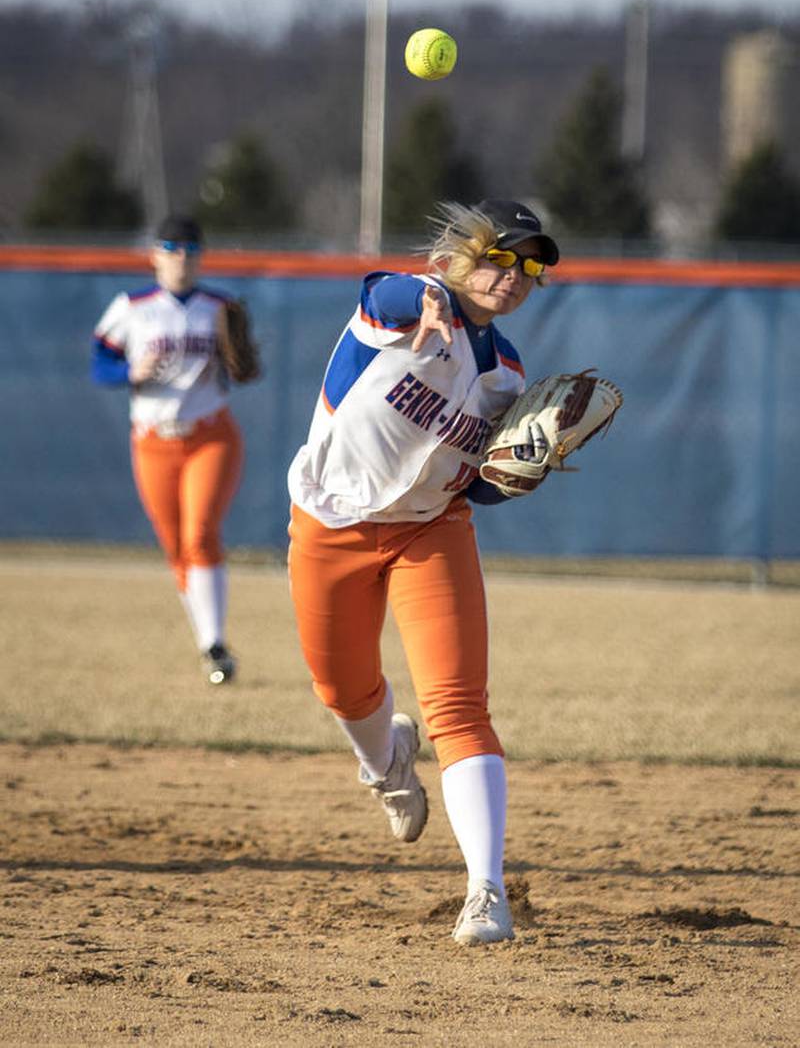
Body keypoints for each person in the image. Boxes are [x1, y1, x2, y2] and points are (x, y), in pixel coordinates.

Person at [287, 197, 560, 945]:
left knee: (460, 705)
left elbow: (469, 481)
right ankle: (386, 762)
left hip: (431, 533)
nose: (515, 274)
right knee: (341, 687)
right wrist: (431, 294)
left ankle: (486, 891)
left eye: (531, 264)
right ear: (460, 255)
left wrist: (512, 473)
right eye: (500, 255)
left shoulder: (506, 374)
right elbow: (377, 289)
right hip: (331, 523)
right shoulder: (401, 312)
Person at [91, 214, 257, 685]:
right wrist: (129, 373)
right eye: (171, 247)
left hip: (210, 436)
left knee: (200, 531)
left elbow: (244, 368)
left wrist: (241, 363)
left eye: (189, 248)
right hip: (152, 439)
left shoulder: (219, 307)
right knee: (175, 545)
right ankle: (209, 642)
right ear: (154, 255)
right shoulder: (133, 306)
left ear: (200, 256)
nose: (180, 257)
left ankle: (214, 645)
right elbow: (99, 363)